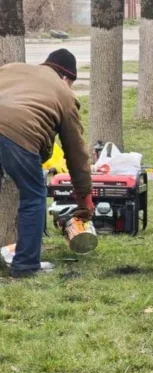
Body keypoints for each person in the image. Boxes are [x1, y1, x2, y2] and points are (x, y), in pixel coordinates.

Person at [0, 49, 94, 278]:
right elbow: (76, 154)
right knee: (33, 196)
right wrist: (85, 199)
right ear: (66, 78)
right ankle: (25, 265)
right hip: (15, 134)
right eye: (71, 82)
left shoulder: (11, 68)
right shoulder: (64, 93)